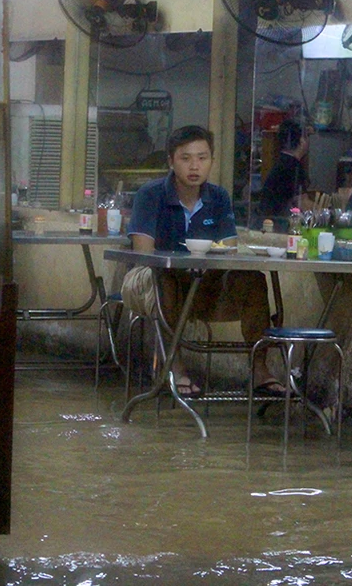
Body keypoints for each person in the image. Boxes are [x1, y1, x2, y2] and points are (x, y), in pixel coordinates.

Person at [121, 125, 285, 398]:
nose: (194, 166)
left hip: (203, 281)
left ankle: (259, 368)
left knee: (253, 280)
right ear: (171, 161)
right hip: (149, 280)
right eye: (185, 158)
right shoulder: (151, 194)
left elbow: (228, 251)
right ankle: (175, 365)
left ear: (212, 161)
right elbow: (143, 254)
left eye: (202, 158)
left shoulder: (218, 197)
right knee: (165, 278)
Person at [258, 119, 310, 226]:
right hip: (280, 223)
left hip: (268, 220)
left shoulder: (281, 161)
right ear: (301, 141)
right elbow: (303, 203)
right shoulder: (294, 166)